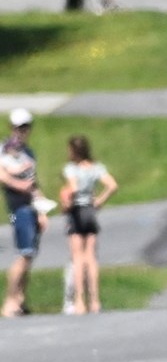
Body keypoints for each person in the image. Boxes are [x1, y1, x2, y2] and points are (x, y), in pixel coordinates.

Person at [61, 135, 118, 315]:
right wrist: (100, 200)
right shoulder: (96, 167)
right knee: (91, 258)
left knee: (78, 258)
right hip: (90, 211)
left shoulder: (71, 168)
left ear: (74, 151)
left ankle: (80, 301)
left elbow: (73, 188)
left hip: (77, 212)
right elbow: (112, 185)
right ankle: (95, 301)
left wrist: (66, 201)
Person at [0, 109, 49, 318]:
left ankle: (20, 298)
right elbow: (2, 176)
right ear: (12, 127)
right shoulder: (4, 149)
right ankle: (10, 301)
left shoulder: (28, 152)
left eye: (26, 127)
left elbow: (33, 182)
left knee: (29, 255)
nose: (22, 131)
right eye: (19, 127)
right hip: (17, 208)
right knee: (24, 253)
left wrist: (42, 208)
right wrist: (20, 184)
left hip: (30, 207)